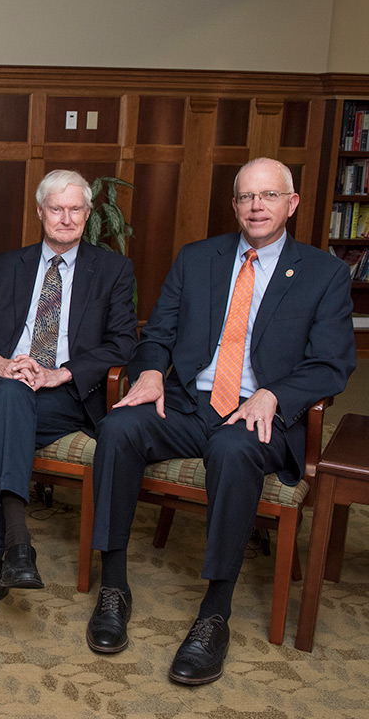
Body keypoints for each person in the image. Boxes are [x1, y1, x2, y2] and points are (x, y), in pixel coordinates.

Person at [87, 157, 357, 685]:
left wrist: (275, 395)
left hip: (258, 412)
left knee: (233, 450)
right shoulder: (197, 258)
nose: (257, 206)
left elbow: (332, 362)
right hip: (190, 402)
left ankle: (215, 613)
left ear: (291, 204)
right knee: (118, 427)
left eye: (269, 196)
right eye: (247, 197)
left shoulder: (323, 274)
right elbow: (158, 332)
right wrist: (148, 373)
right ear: (234, 205)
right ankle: (113, 585)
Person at [0, 169, 137, 622]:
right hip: (4, 380)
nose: (65, 218)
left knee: (6, 423)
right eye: (56, 208)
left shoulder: (112, 270)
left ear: (89, 215)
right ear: (39, 212)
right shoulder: (7, 265)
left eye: (75, 209)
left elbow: (123, 343)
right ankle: (15, 548)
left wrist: (58, 373)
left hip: (65, 394)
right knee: (10, 397)